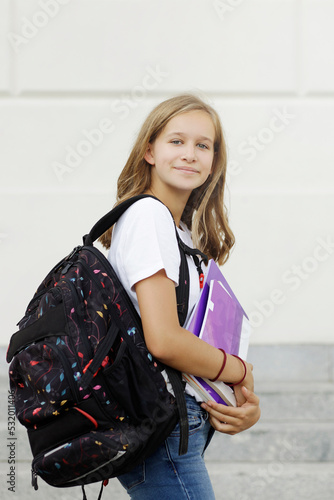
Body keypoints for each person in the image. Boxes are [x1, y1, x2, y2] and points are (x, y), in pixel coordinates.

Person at [99, 94, 260, 499]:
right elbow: (165, 340)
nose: (190, 154)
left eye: (203, 145)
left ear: (214, 161)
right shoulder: (149, 216)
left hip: (180, 424)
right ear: (149, 150)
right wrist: (238, 371)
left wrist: (240, 398)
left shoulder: (179, 231)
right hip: (163, 426)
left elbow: (196, 341)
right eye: (177, 141)